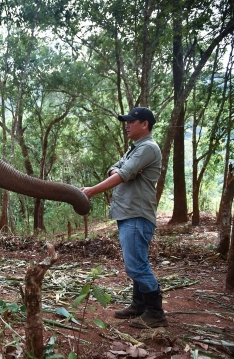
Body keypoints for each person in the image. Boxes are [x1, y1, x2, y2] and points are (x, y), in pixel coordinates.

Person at [81, 107, 168, 328]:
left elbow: (122, 173)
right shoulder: (135, 150)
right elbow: (116, 169)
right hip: (129, 213)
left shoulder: (147, 148)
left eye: (131, 121)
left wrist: (92, 190)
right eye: (126, 121)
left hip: (137, 214)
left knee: (136, 266)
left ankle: (156, 313)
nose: (127, 125)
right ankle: (139, 305)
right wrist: (123, 172)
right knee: (138, 262)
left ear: (145, 124)